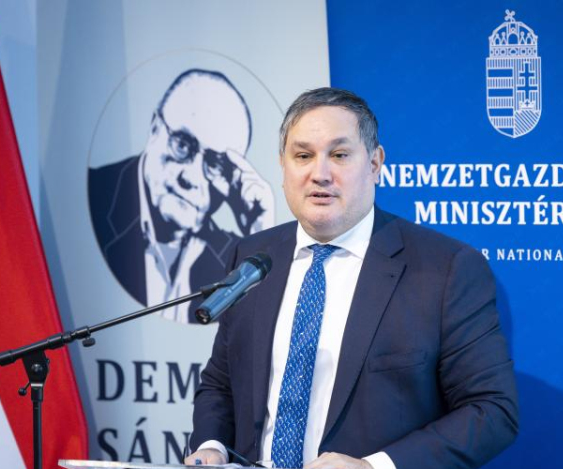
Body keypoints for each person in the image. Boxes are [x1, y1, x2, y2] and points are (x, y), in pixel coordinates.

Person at [186, 88, 518, 469]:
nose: (320, 174)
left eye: (340, 155)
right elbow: (222, 382)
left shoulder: (445, 269)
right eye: (303, 156)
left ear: (375, 163)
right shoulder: (253, 258)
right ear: (283, 166)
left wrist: (373, 467)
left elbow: (491, 411)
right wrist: (212, 445)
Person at [88, 69, 274, 323]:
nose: (191, 177)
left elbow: (255, 334)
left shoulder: (231, 254)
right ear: (155, 128)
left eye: (215, 164)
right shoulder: (94, 201)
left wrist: (260, 234)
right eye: (183, 145)